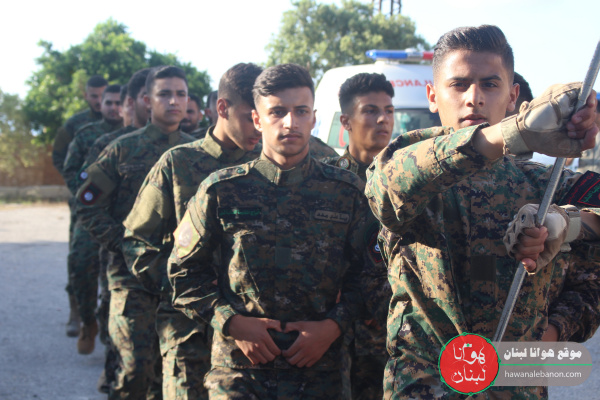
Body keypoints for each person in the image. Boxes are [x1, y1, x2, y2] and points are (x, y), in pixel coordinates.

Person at [364, 25, 600, 399]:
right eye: (459, 85)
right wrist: (514, 132)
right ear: (432, 96)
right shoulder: (408, 165)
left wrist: (567, 223)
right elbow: (388, 187)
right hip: (427, 386)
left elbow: (591, 278)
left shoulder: (543, 184)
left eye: (490, 84)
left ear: (513, 95)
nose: (474, 98)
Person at [168, 63, 376, 399]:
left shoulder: (347, 192)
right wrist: (231, 322)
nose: (290, 123)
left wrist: (332, 326)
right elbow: (182, 272)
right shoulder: (221, 190)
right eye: (277, 112)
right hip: (239, 370)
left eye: (301, 111)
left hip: (320, 370)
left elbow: (372, 275)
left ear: (313, 118)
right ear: (257, 119)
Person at [122, 62, 263, 400]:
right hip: (189, 332)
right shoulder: (178, 163)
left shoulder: (269, 165)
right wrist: (189, 291)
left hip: (255, 335)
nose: (259, 126)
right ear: (222, 109)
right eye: (250, 116)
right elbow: (138, 244)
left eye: (264, 116)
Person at [76, 65, 195, 400]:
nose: (174, 101)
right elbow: (87, 203)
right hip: (130, 278)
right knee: (134, 371)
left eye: (181, 94)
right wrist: (124, 243)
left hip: (180, 279)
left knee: (175, 377)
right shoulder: (121, 149)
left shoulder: (197, 153)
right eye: (164, 94)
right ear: (146, 100)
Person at [323, 72, 394, 400]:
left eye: (389, 110)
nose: (383, 119)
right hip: (331, 337)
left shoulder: (406, 182)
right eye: (370, 110)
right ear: (346, 121)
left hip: (389, 338)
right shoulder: (324, 182)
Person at [62, 83, 123, 354]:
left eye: (118, 103)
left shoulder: (135, 136)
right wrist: (86, 195)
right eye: (108, 102)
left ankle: (111, 338)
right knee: (81, 263)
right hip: (91, 210)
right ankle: (87, 319)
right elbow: (73, 170)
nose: (113, 108)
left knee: (114, 278)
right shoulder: (89, 135)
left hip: (120, 216)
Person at [53, 74, 108, 337]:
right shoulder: (75, 125)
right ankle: (76, 310)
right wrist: (80, 190)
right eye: (94, 96)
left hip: (113, 206)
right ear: (86, 96)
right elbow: (60, 157)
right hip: (83, 205)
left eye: (102, 96)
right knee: (79, 258)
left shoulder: (126, 121)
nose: (99, 101)